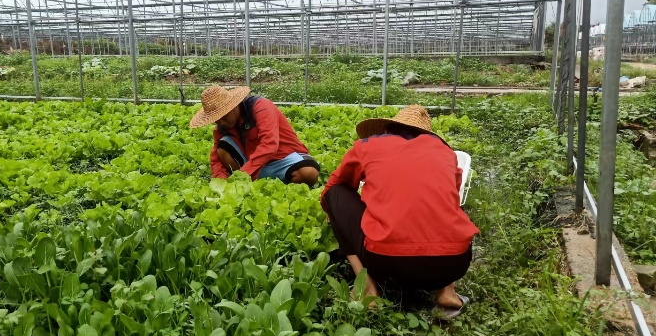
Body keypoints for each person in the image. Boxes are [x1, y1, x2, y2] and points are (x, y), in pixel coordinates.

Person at [320, 105, 479, 317]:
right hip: (454, 263)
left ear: (387, 129)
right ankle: (447, 292)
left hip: (387, 264)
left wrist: (342, 218)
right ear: (426, 134)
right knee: (447, 209)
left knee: (335, 195)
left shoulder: (368, 146)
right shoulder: (445, 152)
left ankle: (367, 289)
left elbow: (335, 187)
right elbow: (452, 197)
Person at [190, 85, 320, 185]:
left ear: (233, 106)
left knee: (309, 173)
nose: (221, 122)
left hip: (284, 158)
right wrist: (221, 180)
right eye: (216, 119)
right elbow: (215, 159)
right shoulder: (222, 127)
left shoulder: (260, 106)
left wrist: (243, 174)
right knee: (222, 146)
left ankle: (254, 181)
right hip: (253, 164)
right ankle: (252, 183)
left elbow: (269, 145)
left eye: (223, 116)